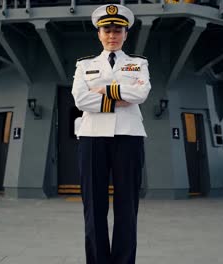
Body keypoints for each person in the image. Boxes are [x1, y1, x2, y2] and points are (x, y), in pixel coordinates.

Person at [71, 4, 150, 264]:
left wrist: (104, 90)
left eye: (118, 30)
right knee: (94, 207)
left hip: (129, 137)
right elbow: (81, 100)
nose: (112, 35)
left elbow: (140, 94)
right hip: (92, 137)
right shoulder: (85, 65)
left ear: (126, 33)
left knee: (127, 206)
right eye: (107, 30)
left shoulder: (138, 63)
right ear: (99, 33)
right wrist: (119, 96)